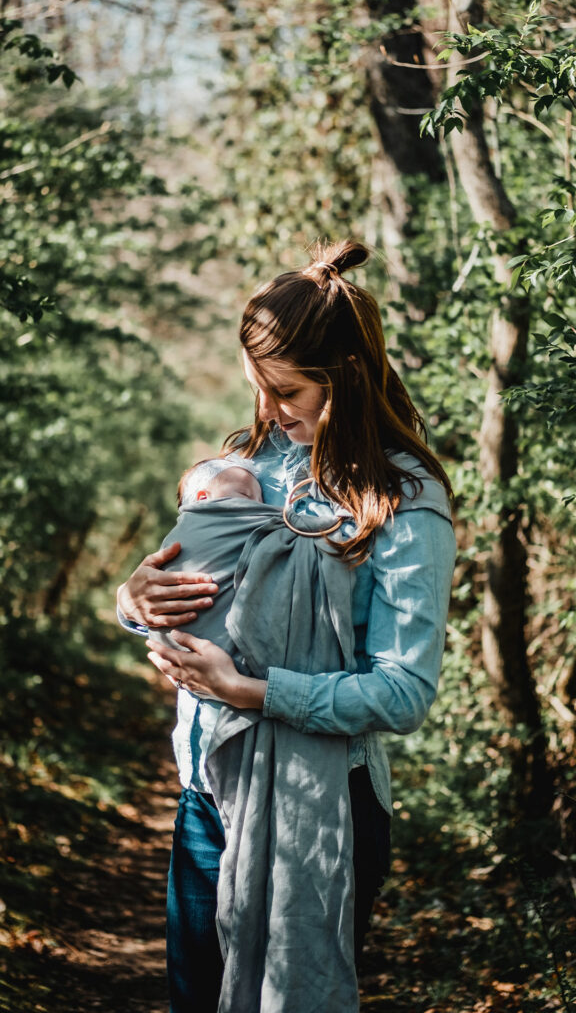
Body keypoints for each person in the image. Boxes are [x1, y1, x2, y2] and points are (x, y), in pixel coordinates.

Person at [117, 239, 456, 1013]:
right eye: (257, 387)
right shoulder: (243, 465)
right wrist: (133, 603)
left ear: (349, 381)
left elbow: (402, 692)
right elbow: (178, 592)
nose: (267, 411)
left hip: (325, 807)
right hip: (207, 794)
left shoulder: (403, 502)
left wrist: (252, 690)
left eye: (288, 391)